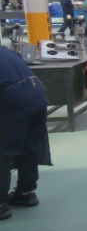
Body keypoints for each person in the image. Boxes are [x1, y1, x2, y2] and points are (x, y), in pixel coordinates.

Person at [0, 46, 51, 220]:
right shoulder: (4, 51)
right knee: (28, 147)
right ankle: (26, 193)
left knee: (2, 150)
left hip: (12, 99)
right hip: (36, 96)